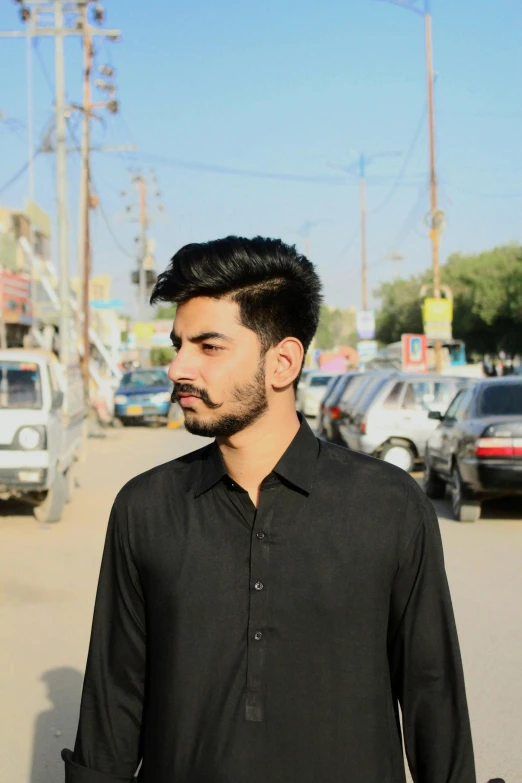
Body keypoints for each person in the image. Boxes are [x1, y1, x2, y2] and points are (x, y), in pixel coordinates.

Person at [62, 236, 476, 783]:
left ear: (282, 362)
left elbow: (433, 698)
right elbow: (114, 701)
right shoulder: (146, 508)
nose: (178, 368)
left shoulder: (389, 506)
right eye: (177, 345)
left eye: (208, 347)